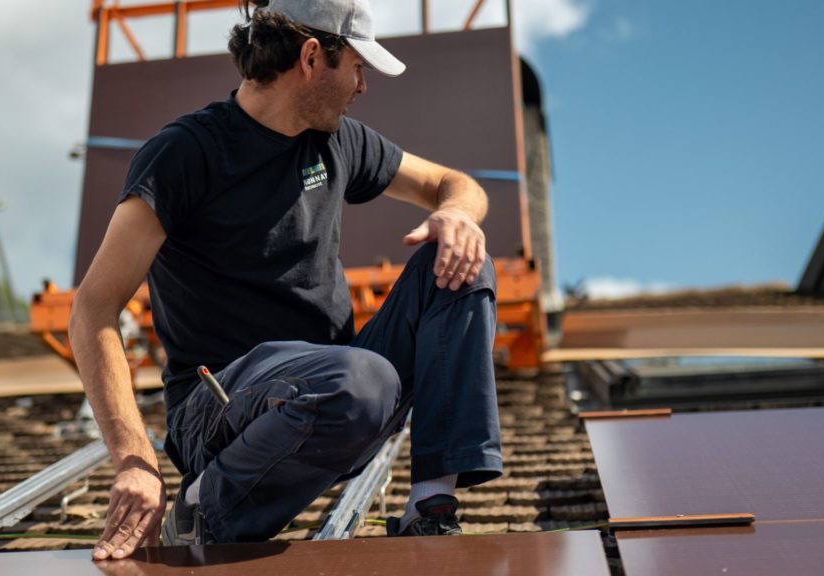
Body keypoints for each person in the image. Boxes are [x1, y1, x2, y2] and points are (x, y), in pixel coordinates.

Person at [70, 0, 502, 560]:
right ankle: (202, 510)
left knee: (465, 263)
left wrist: (459, 215)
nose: (362, 86)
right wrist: (135, 461)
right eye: (356, 67)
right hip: (222, 412)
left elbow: (454, 182)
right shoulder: (185, 154)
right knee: (360, 380)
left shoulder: (340, 141)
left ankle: (430, 508)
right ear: (311, 57)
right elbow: (93, 310)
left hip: (340, 398)